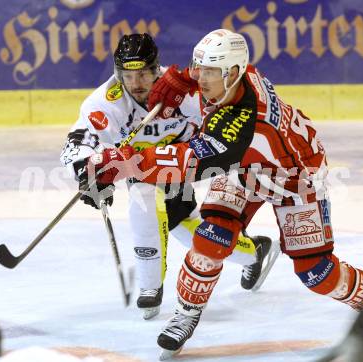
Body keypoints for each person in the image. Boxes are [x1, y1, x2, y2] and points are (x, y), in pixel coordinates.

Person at [83, 28, 363, 358]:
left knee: (317, 272)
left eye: (209, 73)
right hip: (246, 167)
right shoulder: (234, 75)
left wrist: (126, 162)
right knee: (211, 236)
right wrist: (181, 78)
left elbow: (191, 161)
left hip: (295, 176)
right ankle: (187, 313)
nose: (201, 80)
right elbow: (194, 78)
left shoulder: (243, 121)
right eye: (200, 70)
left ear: (233, 73)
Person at [60, 33, 276, 320]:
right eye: (128, 75)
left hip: (185, 162)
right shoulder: (104, 103)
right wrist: (86, 170)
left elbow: (224, 115)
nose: (136, 84)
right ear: (117, 73)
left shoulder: (184, 91)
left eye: (144, 74)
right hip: (141, 167)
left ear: (156, 69)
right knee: (183, 226)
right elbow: (78, 141)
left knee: (161, 214)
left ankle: (152, 287)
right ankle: (250, 254)